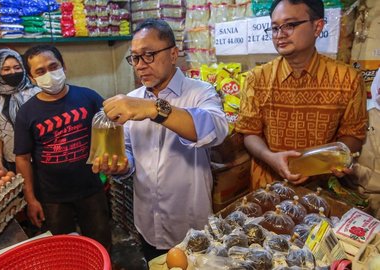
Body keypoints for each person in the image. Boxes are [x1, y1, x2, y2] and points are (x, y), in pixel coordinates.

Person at [92, 19, 228, 261]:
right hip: (148, 223)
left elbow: (215, 129)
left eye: (149, 55)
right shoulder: (132, 100)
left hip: (190, 225)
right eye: (135, 58)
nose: (141, 65)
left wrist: (155, 109)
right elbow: (128, 151)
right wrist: (122, 165)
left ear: (173, 54)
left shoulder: (200, 92)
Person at [235, 0, 368, 189]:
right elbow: (249, 132)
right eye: (274, 28)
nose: (280, 34)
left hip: (322, 188)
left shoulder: (348, 79)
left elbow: (353, 134)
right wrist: (271, 158)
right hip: (267, 187)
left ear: (317, 26)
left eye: (290, 25)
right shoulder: (256, 78)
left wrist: (335, 158)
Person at [14, 45, 111, 250]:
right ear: (32, 78)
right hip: (52, 197)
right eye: (40, 71)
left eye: (53, 66)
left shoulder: (89, 98)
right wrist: (30, 199)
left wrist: (109, 164)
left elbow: (109, 131)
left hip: (91, 189)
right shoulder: (26, 113)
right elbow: (22, 158)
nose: (49, 74)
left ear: (64, 66)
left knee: (101, 244)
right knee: (65, 251)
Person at [0, 48, 41, 172]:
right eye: (6, 69)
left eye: (17, 67)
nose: (13, 72)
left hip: (40, 156)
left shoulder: (37, 92)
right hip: (12, 158)